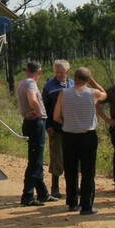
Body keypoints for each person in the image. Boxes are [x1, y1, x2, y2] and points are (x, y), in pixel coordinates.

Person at [53, 67, 106, 215]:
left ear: (74, 78)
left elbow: (56, 116)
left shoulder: (63, 93)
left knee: (71, 170)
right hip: (88, 135)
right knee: (88, 171)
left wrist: (66, 121)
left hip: (69, 135)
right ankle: (87, 205)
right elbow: (104, 93)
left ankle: (72, 202)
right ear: (87, 80)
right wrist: (93, 81)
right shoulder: (92, 93)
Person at [15, 61, 56, 206]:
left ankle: (43, 194)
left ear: (27, 70)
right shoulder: (31, 84)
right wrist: (39, 112)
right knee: (35, 161)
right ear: (39, 72)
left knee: (36, 159)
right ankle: (27, 196)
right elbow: (32, 99)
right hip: (35, 123)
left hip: (29, 122)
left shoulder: (22, 83)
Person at [42, 59, 73, 199]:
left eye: (62, 72)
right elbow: (44, 108)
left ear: (67, 71)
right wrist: (47, 125)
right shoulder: (49, 87)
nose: (59, 74)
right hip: (56, 128)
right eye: (57, 72)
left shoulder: (73, 84)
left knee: (72, 158)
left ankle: (73, 187)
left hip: (72, 128)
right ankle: (55, 188)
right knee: (56, 158)